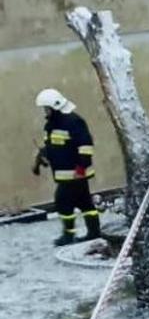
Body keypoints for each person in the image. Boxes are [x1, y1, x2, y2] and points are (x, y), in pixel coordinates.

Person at [33, 89, 100, 246]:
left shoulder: (74, 122)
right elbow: (52, 146)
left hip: (75, 173)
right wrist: (43, 157)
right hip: (66, 173)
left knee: (62, 202)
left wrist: (81, 168)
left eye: (46, 108)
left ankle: (69, 236)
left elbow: (85, 146)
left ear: (54, 107)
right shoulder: (51, 125)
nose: (45, 111)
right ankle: (94, 232)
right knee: (85, 202)